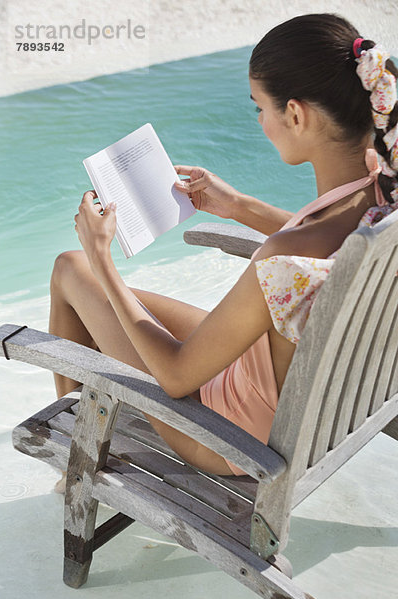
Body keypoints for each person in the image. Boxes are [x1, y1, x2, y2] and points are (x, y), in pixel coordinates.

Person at [50, 13, 398, 490]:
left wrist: (101, 257)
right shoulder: (380, 192)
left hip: (231, 437)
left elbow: (174, 377)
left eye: (261, 108)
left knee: (70, 268)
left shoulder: (281, 258)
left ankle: (75, 465)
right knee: (86, 278)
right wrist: (238, 207)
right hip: (294, 399)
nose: (261, 122)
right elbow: (332, 247)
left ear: (296, 115)